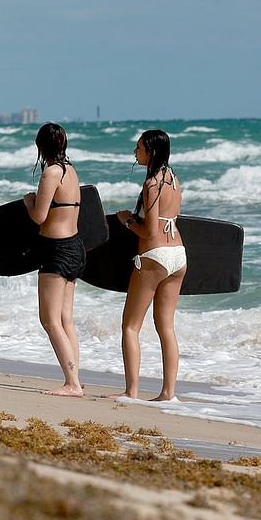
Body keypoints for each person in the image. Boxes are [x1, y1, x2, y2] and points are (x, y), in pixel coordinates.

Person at [108, 128, 186, 402]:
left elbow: (150, 232)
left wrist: (127, 220)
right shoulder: (174, 180)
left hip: (154, 257)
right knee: (166, 327)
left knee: (130, 326)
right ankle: (169, 393)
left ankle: (131, 391)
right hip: (178, 256)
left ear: (150, 151)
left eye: (138, 147)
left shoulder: (152, 184)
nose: (135, 152)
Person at [23, 122, 85, 397]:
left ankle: (72, 384)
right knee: (65, 319)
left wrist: (29, 202)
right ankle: (75, 379)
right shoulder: (70, 171)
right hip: (75, 247)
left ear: (41, 147)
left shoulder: (50, 173)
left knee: (49, 320)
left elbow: (39, 216)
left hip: (56, 250)